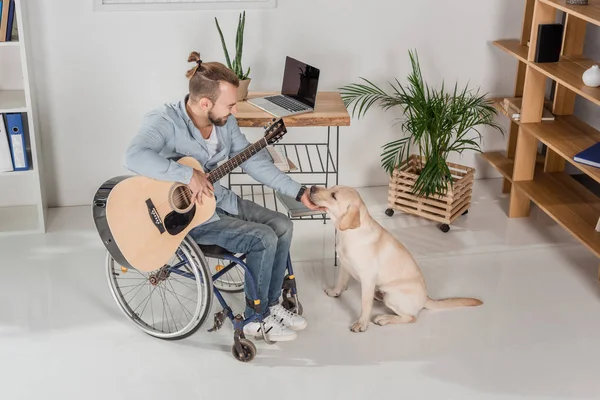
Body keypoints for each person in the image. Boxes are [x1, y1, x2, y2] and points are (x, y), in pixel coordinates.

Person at [123, 51, 324, 342]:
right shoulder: (164, 120)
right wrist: (186, 175)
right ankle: (256, 318)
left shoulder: (223, 122)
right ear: (205, 103)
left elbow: (252, 161)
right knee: (262, 238)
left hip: (217, 199)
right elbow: (133, 156)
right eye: (230, 105)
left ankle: (269, 306)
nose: (235, 112)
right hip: (184, 217)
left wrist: (298, 190)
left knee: (282, 225)